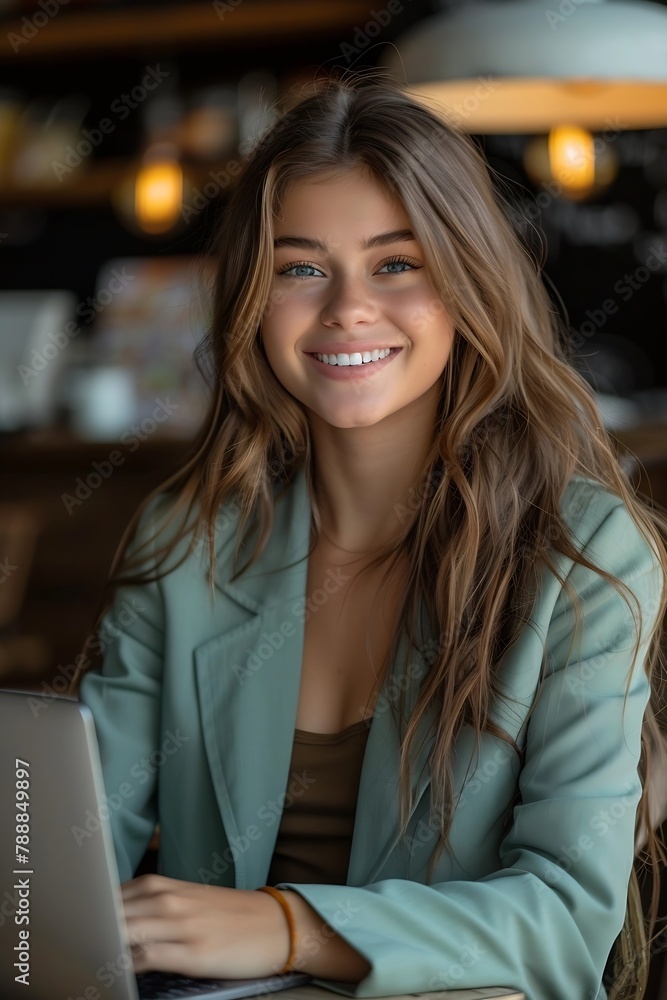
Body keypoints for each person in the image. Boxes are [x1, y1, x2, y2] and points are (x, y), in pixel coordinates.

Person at [71, 69, 667, 1000]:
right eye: (299, 268)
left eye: (397, 264)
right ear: (251, 303)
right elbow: (72, 854)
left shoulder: (582, 552)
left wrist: (286, 926)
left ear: (467, 280)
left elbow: (565, 918)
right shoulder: (188, 541)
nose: (346, 307)